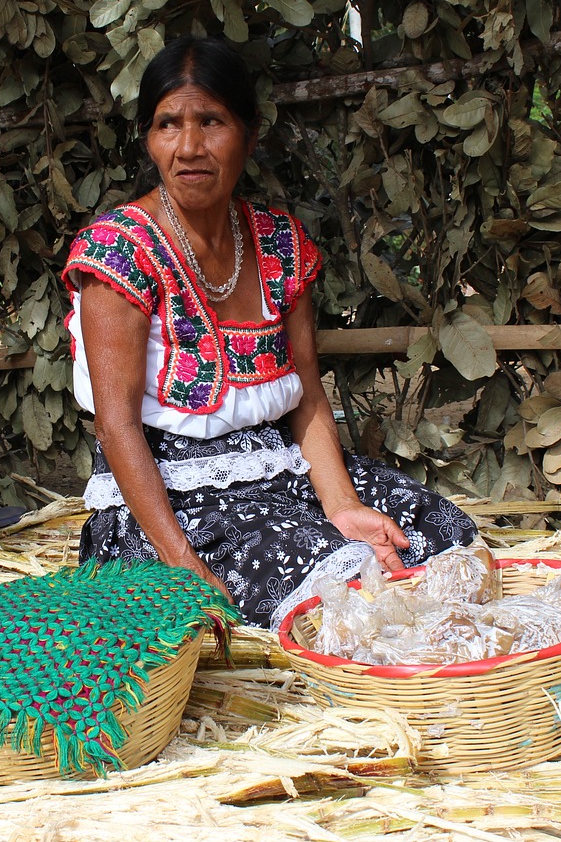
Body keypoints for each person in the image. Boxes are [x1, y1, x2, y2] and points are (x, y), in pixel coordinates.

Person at [60, 35, 477, 630]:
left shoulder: (280, 245)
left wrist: (342, 505)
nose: (189, 147)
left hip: (282, 468)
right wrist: (182, 565)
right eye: (168, 124)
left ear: (249, 136)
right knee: (346, 587)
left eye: (211, 121)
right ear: (149, 140)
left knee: (436, 533)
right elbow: (117, 426)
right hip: (169, 502)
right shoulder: (119, 252)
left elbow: (307, 396)